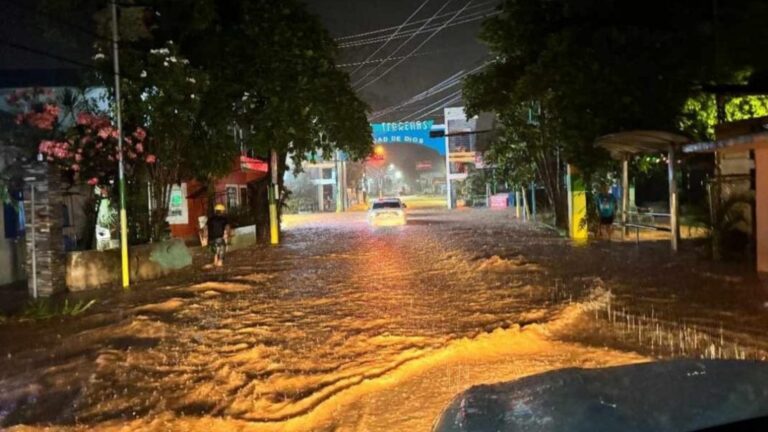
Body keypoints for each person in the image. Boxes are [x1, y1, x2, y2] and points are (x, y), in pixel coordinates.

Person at [206, 203, 231, 267]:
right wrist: (228, 235)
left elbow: (205, 228)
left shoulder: (210, 219)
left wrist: (205, 237)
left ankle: (215, 261)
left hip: (211, 239)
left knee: (215, 250)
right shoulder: (224, 219)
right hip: (219, 238)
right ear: (222, 211)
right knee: (222, 248)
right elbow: (227, 228)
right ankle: (220, 262)